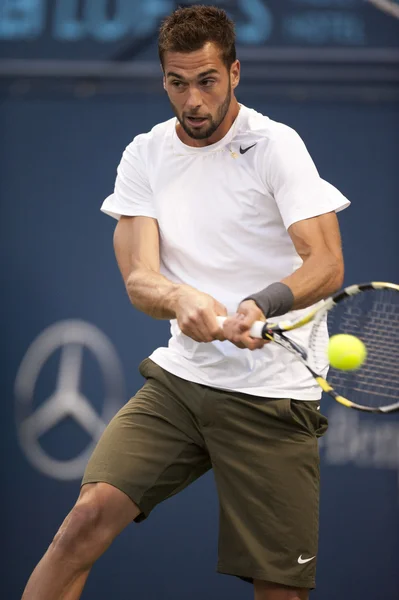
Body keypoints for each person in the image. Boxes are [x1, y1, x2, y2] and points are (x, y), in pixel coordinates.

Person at [22, 5, 350, 600]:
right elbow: (140, 279)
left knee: (281, 592)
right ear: (163, 80)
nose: (192, 100)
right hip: (184, 384)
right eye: (177, 82)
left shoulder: (277, 146)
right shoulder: (145, 155)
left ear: (234, 73)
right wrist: (180, 298)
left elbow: (326, 262)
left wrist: (260, 303)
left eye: (207, 81)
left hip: (273, 398)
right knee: (86, 519)